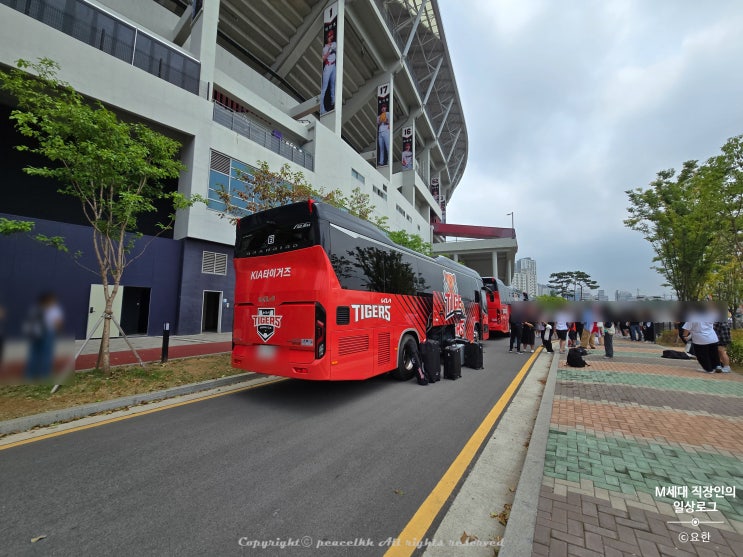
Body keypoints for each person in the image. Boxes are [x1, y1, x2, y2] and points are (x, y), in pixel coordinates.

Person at [24, 292, 64, 381]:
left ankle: (30, 375)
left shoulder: (35, 308)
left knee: (34, 354)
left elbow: (29, 321)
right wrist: (58, 332)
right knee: (46, 354)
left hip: (35, 334)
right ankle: (44, 375)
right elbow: (57, 323)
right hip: (48, 333)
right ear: (50, 300)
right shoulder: (54, 309)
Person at [682, 306, 720, 373]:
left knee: (702, 355)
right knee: (713, 353)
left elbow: (687, 328)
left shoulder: (693, 317)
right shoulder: (710, 315)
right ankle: (716, 366)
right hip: (712, 338)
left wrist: (684, 336)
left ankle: (708, 369)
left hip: (700, 340)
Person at [320, 28, 337, 114]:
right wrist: (329, 51)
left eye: (331, 35)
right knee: (324, 88)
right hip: (328, 66)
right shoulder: (325, 48)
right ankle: (322, 108)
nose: (330, 37)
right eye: (329, 36)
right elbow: (323, 59)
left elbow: (337, 48)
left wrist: (332, 48)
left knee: (333, 84)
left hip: (334, 66)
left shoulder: (334, 43)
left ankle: (333, 101)